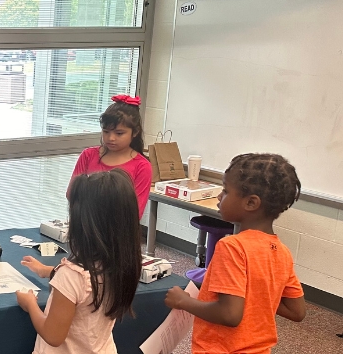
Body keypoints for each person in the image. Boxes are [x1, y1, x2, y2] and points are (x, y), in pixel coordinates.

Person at [164, 153, 306, 353]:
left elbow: (230, 314)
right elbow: (297, 310)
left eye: (226, 190)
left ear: (251, 203)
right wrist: (258, 295)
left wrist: (184, 301)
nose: (220, 197)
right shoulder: (282, 252)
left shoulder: (232, 247)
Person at [16, 170, 142, 353]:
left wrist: (30, 304)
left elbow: (53, 335)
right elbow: (87, 286)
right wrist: (49, 271)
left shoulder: (71, 275)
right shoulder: (122, 263)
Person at [69, 94, 152, 215]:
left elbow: (135, 211)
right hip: (85, 225)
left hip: (118, 230)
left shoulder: (142, 166)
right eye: (106, 131)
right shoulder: (88, 155)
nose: (111, 138)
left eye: (119, 133)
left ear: (135, 132)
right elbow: (72, 194)